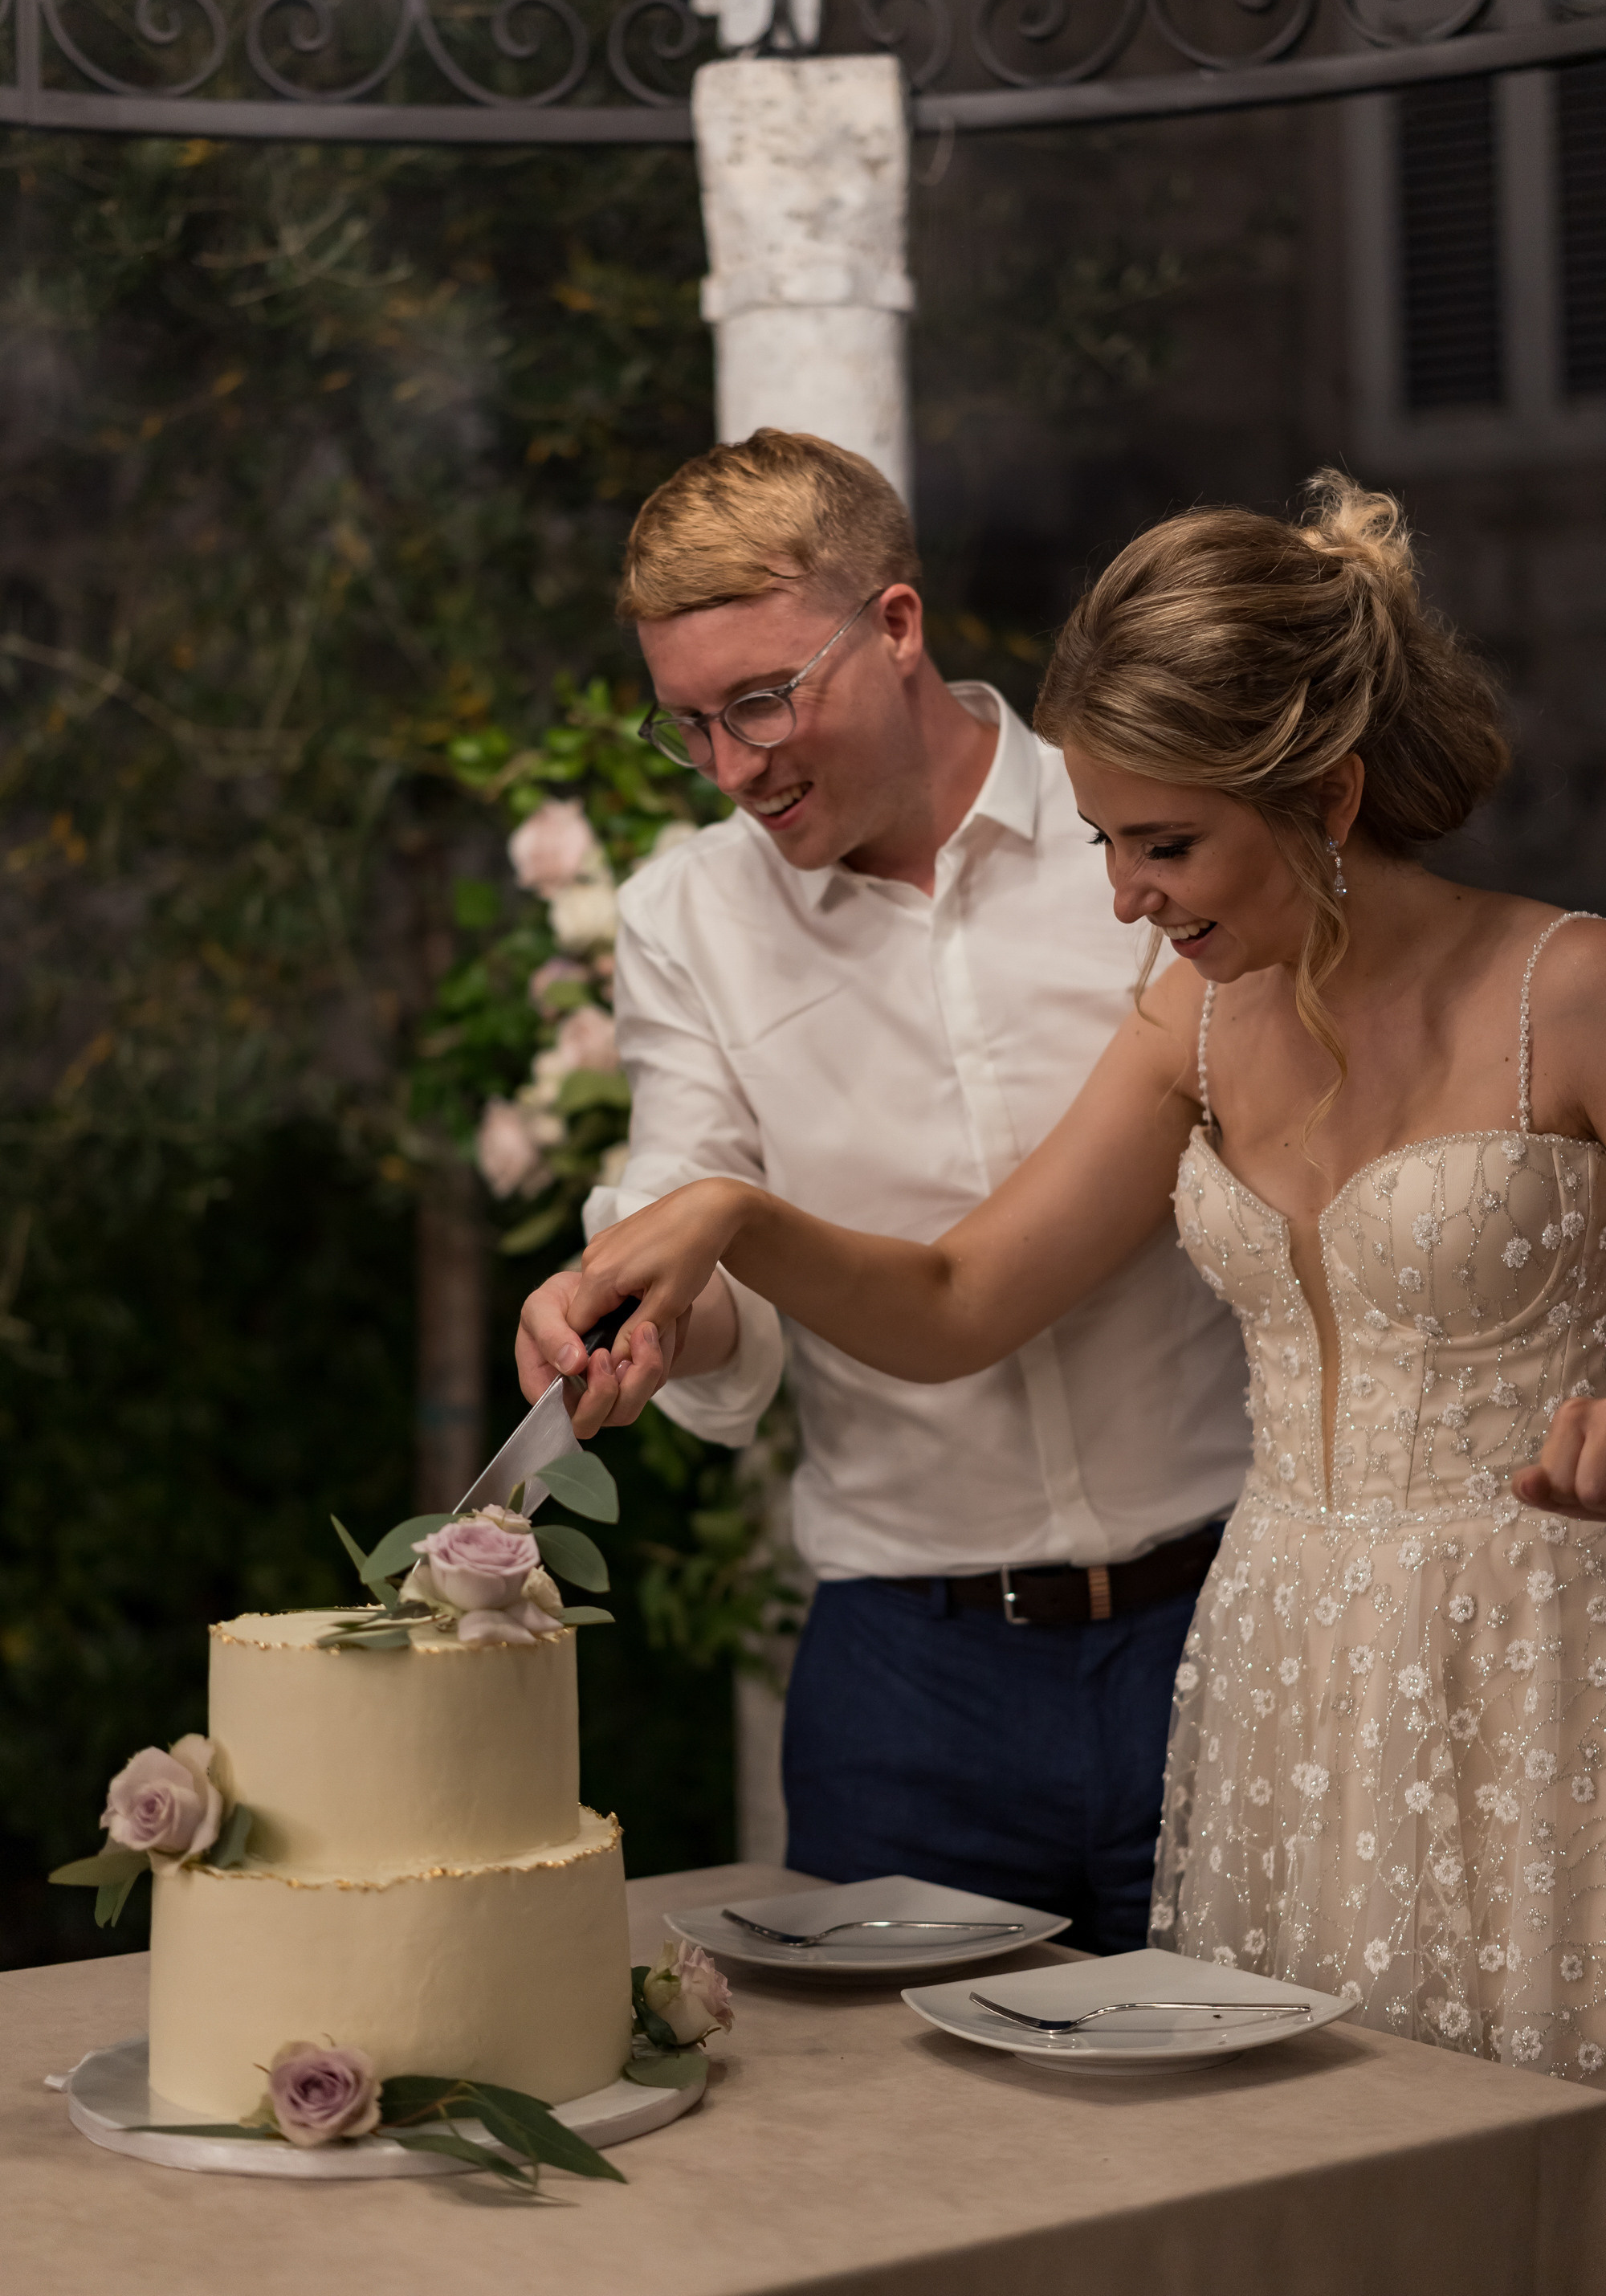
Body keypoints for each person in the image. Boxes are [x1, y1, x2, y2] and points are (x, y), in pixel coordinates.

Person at [536, 472, 1606, 2080]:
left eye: (1160, 844)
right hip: (1260, 1684)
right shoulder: (1189, 1011)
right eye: (1105, 844)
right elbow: (961, 1301)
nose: (1121, 895)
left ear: (1323, 795)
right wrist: (722, 1223)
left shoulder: (1565, 985)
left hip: (1525, 1660)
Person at [517, 428, 1252, 1953]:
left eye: (763, 700)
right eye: (689, 728)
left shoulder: (1143, 841)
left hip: (1238, 1614)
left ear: (898, 625)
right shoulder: (685, 920)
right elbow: (697, 1227)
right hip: (910, 1689)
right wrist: (654, 1316)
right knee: (912, 2174)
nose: (733, 769)